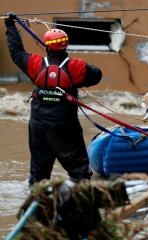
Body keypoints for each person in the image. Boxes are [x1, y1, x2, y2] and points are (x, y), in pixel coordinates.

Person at [5, 13, 102, 187]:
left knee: (38, 175)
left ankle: (38, 209)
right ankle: (81, 208)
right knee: (80, 173)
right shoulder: (77, 67)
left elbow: (15, 52)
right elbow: (96, 75)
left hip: (38, 126)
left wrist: (11, 26)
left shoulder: (34, 63)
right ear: (66, 45)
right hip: (65, 127)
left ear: (46, 47)